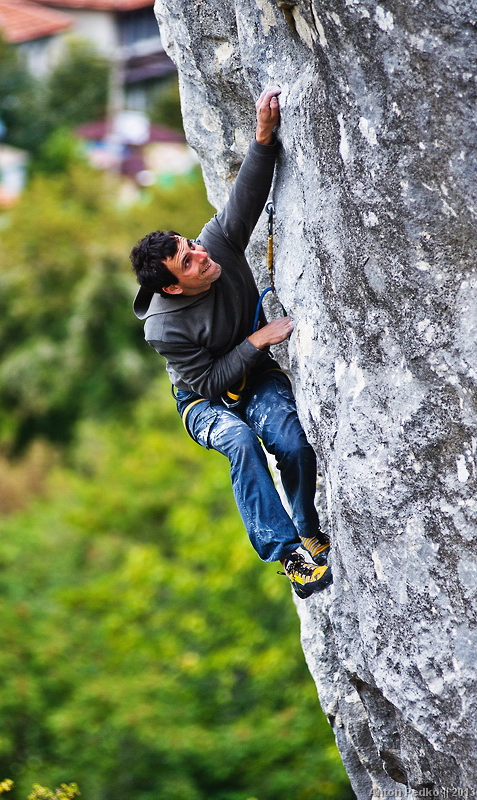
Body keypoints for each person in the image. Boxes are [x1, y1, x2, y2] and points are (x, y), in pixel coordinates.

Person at [130, 86, 332, 600]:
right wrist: (259, 339)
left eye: (191, 245)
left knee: (290, 440)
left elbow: (248, 191)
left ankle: (307, 525)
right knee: (241, 441)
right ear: (173, 285)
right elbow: (208, 381)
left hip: (255, 378)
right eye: (188, 261)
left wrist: (263, 136)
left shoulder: (216, 245)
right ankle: (288, 555)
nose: (201, 256)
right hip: (203, 400)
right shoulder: (164, 327)